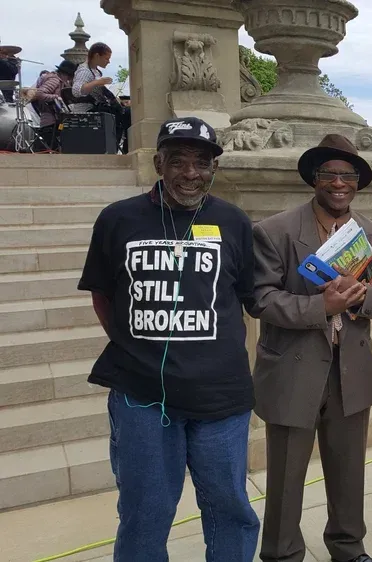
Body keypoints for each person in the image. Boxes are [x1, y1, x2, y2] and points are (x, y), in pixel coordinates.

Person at [77, 116, 260, 561]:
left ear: (215, 168)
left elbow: (250, 295)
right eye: (178, 161)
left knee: (230, 509)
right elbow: (102, 295)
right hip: (142, 398)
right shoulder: (118, 219)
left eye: (202, 162)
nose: (190, 173)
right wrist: (137, 346)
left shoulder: (234, 221)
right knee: (145, 513)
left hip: (221, 399)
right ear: (158, 164)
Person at [249, 134, 372, 562]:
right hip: (293, 369)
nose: (339, 183)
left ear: (358, 183)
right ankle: (281, 553)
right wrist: (320, 307)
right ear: (314, 178)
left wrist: (361, 299)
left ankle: (348, 548)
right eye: (330, 174)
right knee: (286, 476)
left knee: (348, 471)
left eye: (349, 176)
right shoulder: (275, 231)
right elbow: (260, 299)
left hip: (350, 371)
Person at [71, 42, 130, 152]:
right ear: (97, 56)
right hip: (88, 109)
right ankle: (122, 149)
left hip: (97, 107)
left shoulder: (95, 71)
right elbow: (76, 91)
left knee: (126, 112)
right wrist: (98, 82)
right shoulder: (84, 71)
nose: (108, 61)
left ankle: (120, 148)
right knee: (127, 114)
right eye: (106, 58)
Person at [29, 60, 77, 151]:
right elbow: (39, 94)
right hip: (50, 118)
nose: (70, 79)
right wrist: (56, 98)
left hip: (52, 118)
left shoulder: (58, 80)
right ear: (66, 74)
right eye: (70, 76)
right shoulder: (55, 80)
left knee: (52, 141)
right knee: (50, 142)